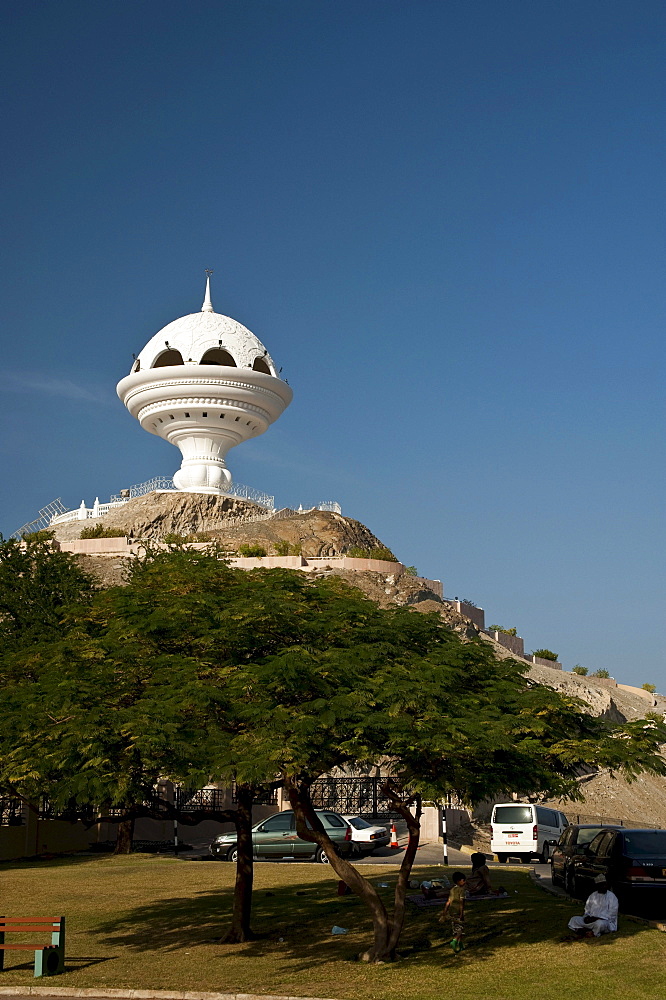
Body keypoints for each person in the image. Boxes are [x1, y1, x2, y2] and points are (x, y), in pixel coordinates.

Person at [440, 871, 466, 953]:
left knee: (456, 928)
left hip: (451, 912)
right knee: (460, 929)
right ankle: (454, 941)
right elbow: (461, 902)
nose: (464, 882)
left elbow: (448, 901)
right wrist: (461, 913)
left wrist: (444, 911)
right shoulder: (461, 890)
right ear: (459, 881)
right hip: (458, 912)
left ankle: (460, 944)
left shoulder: (452, 890)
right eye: (463, 880)